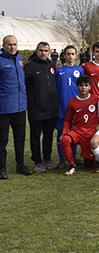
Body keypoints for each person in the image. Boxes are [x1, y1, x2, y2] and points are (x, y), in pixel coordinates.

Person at [24, 41, 59, 173]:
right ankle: (37, 161)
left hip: (51, 109)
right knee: (35, 136)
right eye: (41, 50)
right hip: (36, 108)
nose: (43, 53)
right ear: (36, 51)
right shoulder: (30, 67)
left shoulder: (52, 65)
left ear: (49, 52)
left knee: (48, 135)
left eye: (45, 51)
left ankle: (47, 158)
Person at [0, 35, 31, 179]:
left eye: (14, 44)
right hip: (4, 108)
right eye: (9, 45)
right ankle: (1, 168)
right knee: (2, 140)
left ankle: (20, 164)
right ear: (4, 46)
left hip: (20, 107)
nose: (12, 47)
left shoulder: (20, 60)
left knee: (20, 138)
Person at [60, 75, 99, 175]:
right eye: (81, 85)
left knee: (89, 167)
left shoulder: (96, 100)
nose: (83, 88)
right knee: (65, 139)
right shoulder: (72, 102)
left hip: (90, 133)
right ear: (77, 87)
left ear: (90, 87)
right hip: (76, 131)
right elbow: (68, 120)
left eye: (86, 85)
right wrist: (64, 133)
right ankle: (72, 165)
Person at [54, 45, 85, 169]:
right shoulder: (58, 70)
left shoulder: (80, 70)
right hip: (62, 107)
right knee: (62, 133)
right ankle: (62, 158)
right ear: (64, 55)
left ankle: (73, 157)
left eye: (73, 54)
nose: (70, 56)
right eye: (68, 54)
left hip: (76, 109)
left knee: (75, 133)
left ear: (76, 55)